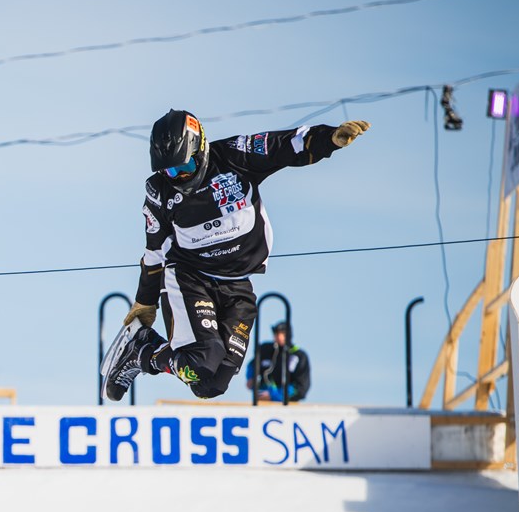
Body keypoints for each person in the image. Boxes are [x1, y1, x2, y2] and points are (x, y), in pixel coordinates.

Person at [101, 110, 368, 402]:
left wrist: (328, 139)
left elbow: (284, 145)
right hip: (191, 278)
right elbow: (153, 252)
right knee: (202, 360)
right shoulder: (159, 193)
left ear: (200, 147)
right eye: (170, 171)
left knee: (211, 384)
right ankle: (141, 353)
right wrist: (144, 302)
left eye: (185, 165)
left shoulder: (233, 156)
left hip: (239, 285)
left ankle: (143, 351)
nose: (179, 176)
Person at [246, 320, 311, 403]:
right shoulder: (265, 350)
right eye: (276, 333)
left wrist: (273, 396)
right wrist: (251, 377)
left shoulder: (299, 356)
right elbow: (252, 365)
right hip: (262, 402)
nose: (278, 337)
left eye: (282, 333)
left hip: (288, 405)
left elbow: (301, 388)